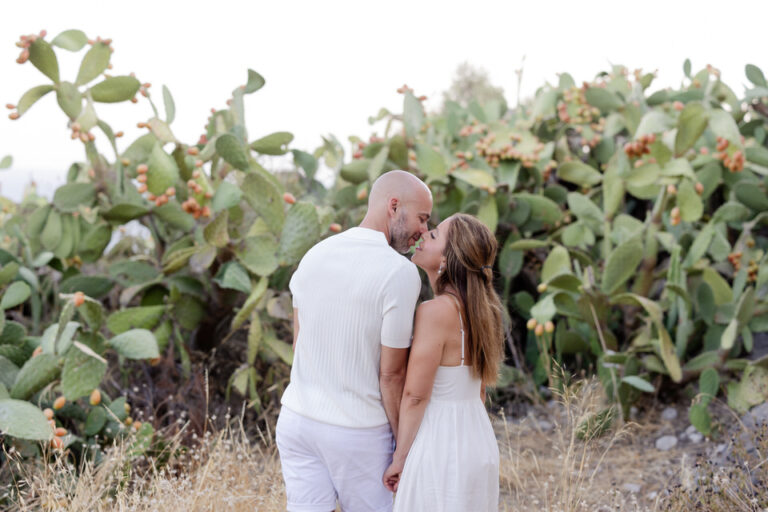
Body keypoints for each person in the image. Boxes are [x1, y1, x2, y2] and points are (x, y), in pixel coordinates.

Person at [276, 170, 433, 512]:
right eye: (422, 218)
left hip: (297, 420)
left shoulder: (315, 254)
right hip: (359, 431)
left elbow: (299, 344)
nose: (424, 230)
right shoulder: (399, 272)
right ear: (394, 206)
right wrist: (403, 449)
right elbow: (391, 375)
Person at [383, 213, 502, 511]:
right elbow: (479, 391)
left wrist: (400, 458)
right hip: (477, 438)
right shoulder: (485, 310)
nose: (423, 234)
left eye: (434, 235)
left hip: (441, 442)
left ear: (447, 260)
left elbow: (415, 395)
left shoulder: (435, 311)